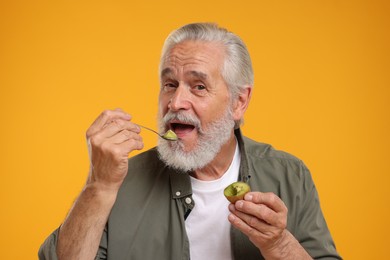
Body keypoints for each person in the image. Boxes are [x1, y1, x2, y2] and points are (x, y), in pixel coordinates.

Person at [39, 22, 341, 260]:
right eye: (169, 84)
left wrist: (278, 244)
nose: (176, 102)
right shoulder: (119, 182)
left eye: (198, 86)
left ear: (239, 102)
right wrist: (99, 186)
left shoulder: (290, 175)